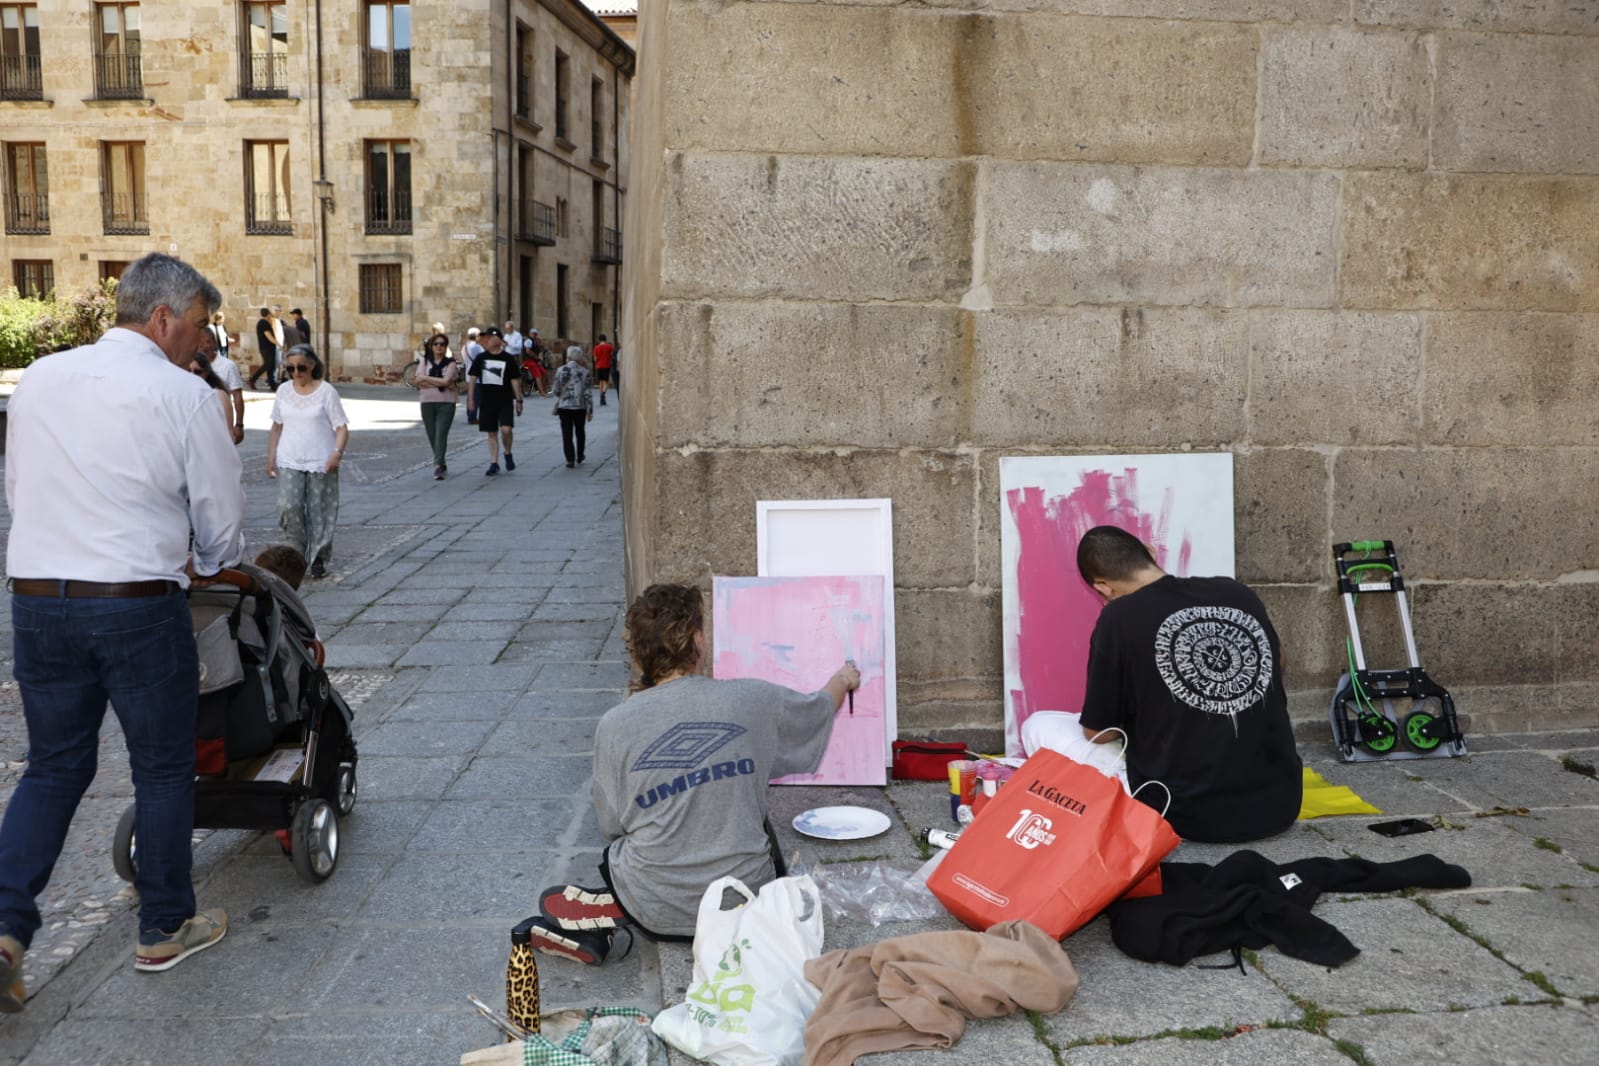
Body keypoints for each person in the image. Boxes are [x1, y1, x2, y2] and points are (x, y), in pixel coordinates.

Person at [0, 253, 245, 1009]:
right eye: (200, 327)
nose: (203, 344)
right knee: (163, 767)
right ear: (163, 317)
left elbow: (19, 487)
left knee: (52, 767)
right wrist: (210, 562)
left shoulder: (39, 378)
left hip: (39, 598)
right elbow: (222, 524)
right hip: (136, 600)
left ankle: (6, 928)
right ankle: (164, 925)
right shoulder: (184, 396)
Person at [525, 583, 860, 963]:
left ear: (639, 656)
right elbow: (816, 710)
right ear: (699, 641)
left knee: (626, 849)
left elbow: (611, 826)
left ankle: (622, 909)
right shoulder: (755, 699)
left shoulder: (614, 725)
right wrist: (843, 680)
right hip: (743, 899)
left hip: (656, 909)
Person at [1076, 525, 1303, 844]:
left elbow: (1098, 732)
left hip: (1186, 815)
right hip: (1279, 804)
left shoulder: (1118, 617)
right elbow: (1278, 662)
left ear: (1102, 587)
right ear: (1150, 555)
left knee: (1042, 726)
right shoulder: (1235, 592)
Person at [266, 343, 349, 580]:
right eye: (290, 368)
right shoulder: (283, 391)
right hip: (289, 457)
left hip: (321, 460)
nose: (296, 373)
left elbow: (342, 428)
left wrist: (337, 453)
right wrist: (271, 455)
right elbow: (277, 425)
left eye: (301, 367)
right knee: (288, 506)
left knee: (320, 511)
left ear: (312, 365)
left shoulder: (326, 392)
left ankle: (318, 558)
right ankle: (297, 552)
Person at [465, 326, 522, 475]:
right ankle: (494, 462)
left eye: (489, 337)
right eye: (486, 338)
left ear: (498, 340)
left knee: (506, 429)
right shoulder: (481, 358)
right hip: (486, 400)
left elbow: (515, 380)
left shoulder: (508, 359)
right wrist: (470, 399)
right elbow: (472, 379)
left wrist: (519, 400)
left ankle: (508, 452)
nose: (486, 340)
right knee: (491, 432)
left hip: (504, 400)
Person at [415, 332, 460, 480]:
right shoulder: (424, 361)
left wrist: (426, 380)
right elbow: (417, 381)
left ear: (446, 347)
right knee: (432, 435)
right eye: (436, 344)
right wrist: (439, 382)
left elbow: (446, 382)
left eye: (442, 344)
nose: (439, 346)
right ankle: (441, 461)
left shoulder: (451, 363)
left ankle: (437, 466)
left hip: (446, 403)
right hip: (427, 403)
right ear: (431, 346)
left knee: (441, 434)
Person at [203, 316, 247, 444]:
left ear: (214, 344)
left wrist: (239, 424)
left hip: (221, 422)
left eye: (208, 342)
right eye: (200, 343)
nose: (204, 346)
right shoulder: (191, 365)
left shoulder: (227, 366)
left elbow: (237, 396)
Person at [551, 345, 593, 468]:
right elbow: (588, 393)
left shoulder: (560, 370)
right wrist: (590, 411)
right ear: (580, 359)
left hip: (564, 407)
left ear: (568, 357)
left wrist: (561, 395)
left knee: (566, 433)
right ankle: (580, 455)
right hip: (580, 407)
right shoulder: (585, 372)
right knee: (580, 431)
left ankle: (570, 459)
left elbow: (556, 390)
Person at [249, 306, 279, 390]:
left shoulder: (263, 322)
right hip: (266, 348)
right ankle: (252, 379)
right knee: (268, 365)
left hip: (267, 348)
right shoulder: (264, 323)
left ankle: (272, 385)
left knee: (271, 366)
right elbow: (268, 336)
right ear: (268, 314)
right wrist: (278, 344)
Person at [592, 333, 614, 405]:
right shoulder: (610, 347)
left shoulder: (596, 347)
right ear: (605, 339)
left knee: (600, 382)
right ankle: (603, 394)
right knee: (606, 382)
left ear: (599, 340)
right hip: (607, 366)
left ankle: (601, 396)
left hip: (599, 366)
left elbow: (595, 359)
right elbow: (612, 355)